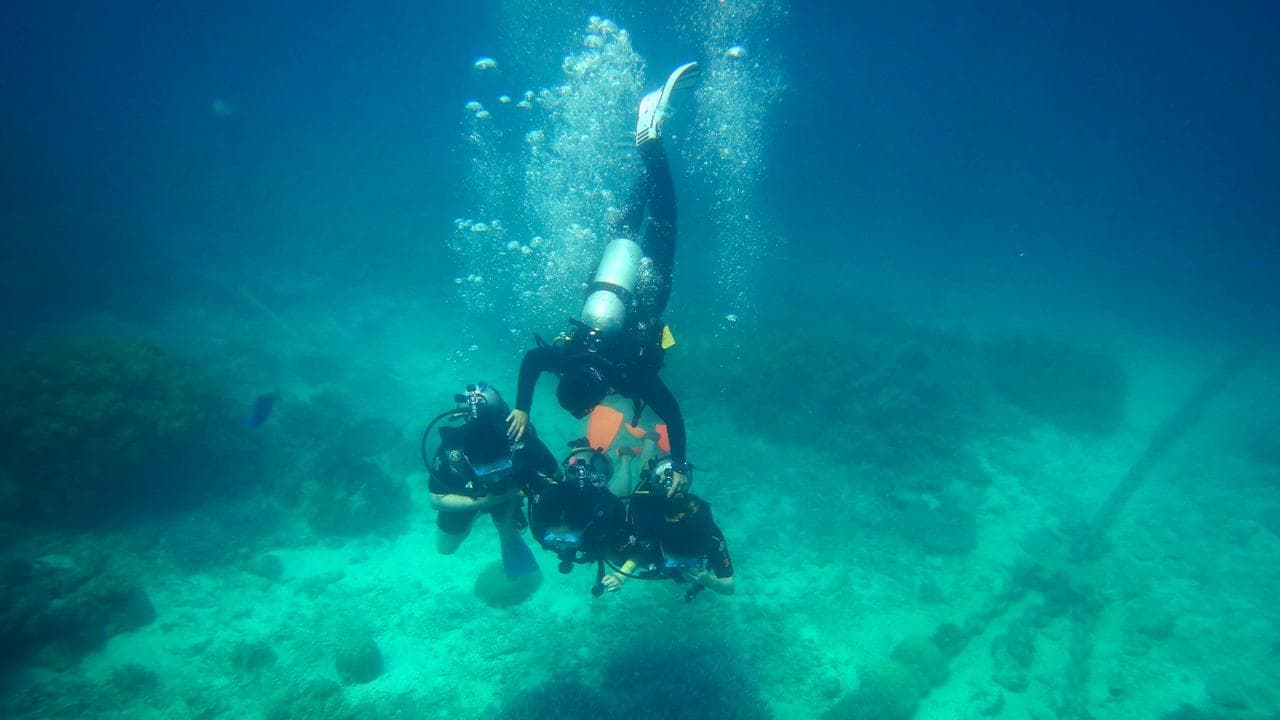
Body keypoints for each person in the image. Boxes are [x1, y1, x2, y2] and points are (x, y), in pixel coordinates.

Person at [506, 62, 701, 496]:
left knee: (665, 222)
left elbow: (672, 414)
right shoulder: (568, 355)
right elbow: (531, 362)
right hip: (608, 281)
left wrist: (682, 463)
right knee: (624, 230)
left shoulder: (631, 378)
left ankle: (654, 151)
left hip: (647, 291)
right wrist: (523, 408)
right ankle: (645, 159)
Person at [425, 382, 556, 577]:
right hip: (471, 494)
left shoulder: (522, 440)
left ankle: (504, 522)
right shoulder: (450, 452)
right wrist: (490, 500)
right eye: (486, 468)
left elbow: (555, 476)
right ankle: (483, 515)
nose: (494, 473)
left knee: (510, 525)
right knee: (445, 547)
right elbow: (436, 499)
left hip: (512, 490)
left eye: (500, 466)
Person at [600, 455, 735, 597]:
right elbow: (641, 552)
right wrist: (621, 576)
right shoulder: (657, 524)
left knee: (647, 476)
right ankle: (635, 456)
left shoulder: (710, 536)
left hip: (670, 499)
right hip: (651, 499)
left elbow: (729, 588)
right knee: (643, 478)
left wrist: (710, 581)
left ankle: (646, 447)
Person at [526, 442, 630, 579]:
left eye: (569, 539)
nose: (561, 545)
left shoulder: (602, 519)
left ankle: (625, 459)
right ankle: (585, 454)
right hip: (571, 499)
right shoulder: (544, 520)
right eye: (552, 538)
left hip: (596, 504)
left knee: (618, 498)